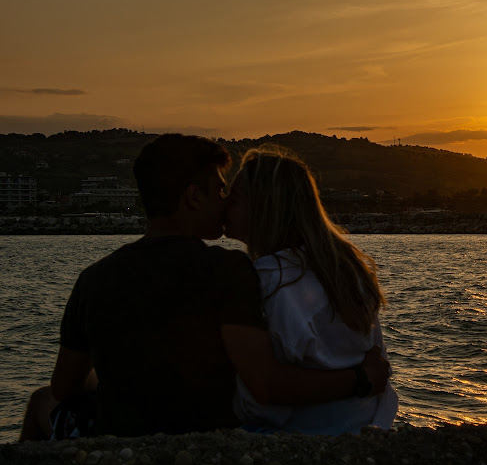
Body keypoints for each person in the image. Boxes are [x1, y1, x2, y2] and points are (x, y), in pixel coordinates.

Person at [19, 134, 389, 441]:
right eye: (220, 189)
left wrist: (112, 370)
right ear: (195, 197)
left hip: (119, 434)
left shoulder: (92, 280)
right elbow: (254, 377)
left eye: (232, 193)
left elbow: (63, 388)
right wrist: (362, 378)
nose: (225, 201)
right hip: (214, 430)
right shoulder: (232, 269)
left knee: (41, 403)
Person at [224, 145, 398, 435]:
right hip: (364, 427)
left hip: (302, 438)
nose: (224, 203)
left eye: (236, 197)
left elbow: (267, 395)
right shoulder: (347, 271)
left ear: (266, 208)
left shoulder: (270, 280)